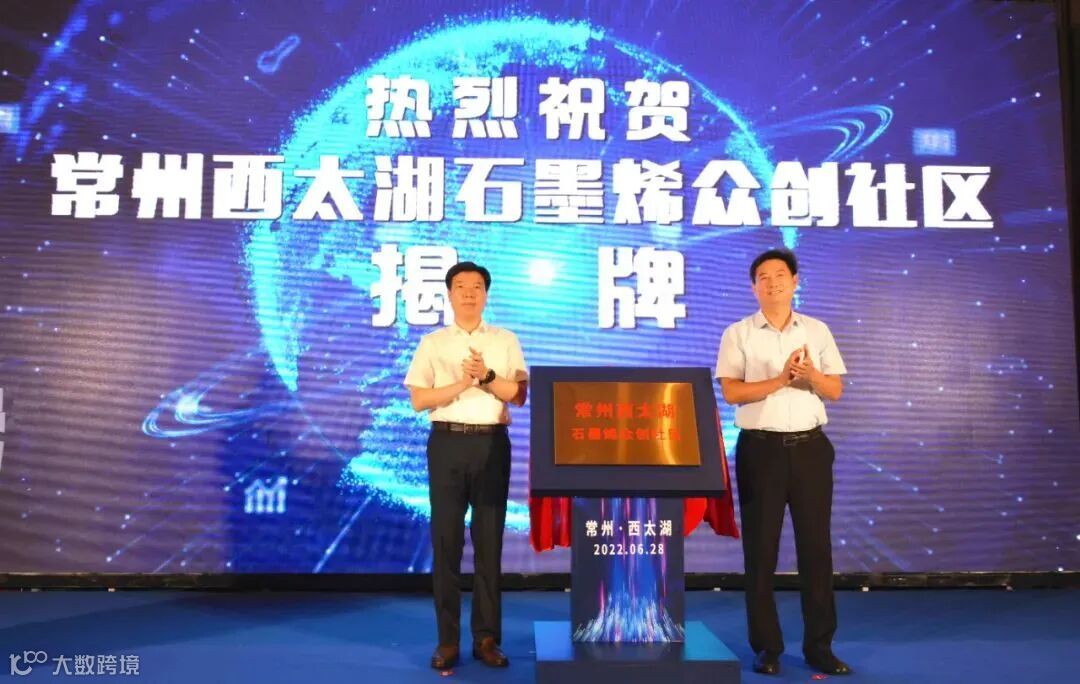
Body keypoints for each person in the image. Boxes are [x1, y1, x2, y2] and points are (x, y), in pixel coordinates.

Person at [714, 248, 852, 676]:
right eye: (763, 277)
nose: (772, 283)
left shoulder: (817, 330)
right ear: (753, 287)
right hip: (761, 450)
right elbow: (732, 392)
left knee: (816, 550)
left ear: (795, 282)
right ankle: (767, 647)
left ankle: (820, 647)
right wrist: (780, 380)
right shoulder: (739, 333)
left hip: (811, 450)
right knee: (761, 551)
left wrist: (810, 376)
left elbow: (835, 390)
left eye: (780, 275)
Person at [404, 261, 528, 670]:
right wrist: (463, 382)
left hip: (491, 444)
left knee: (489, 543)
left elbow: (519, 395)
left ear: (486, 294)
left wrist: (486, 375)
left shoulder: (505, 340)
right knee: (447, 543)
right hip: (447, 443)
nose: (469, 293)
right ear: (450, 294)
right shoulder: (434, 342)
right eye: (461, 286)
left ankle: (486, 638)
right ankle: (447, 641)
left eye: (477, 286)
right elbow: (419, 399)